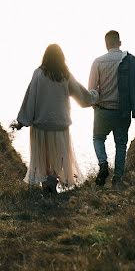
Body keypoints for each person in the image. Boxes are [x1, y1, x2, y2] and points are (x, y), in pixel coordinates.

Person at [11, 44, 97, 193]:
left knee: (43, 159)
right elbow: (82, 97)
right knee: (58, 158)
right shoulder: (65, 75)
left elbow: (30, 98)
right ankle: (52, 185)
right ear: (61, 58)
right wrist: (95, 96)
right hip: (60, 124)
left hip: (41, 125)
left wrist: (21, 121)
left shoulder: (38, 74)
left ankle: (47, 187)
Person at [88, 30, 135, 187]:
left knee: (98, 138)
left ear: (106, 44)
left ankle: (103, 164)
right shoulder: (130, 60)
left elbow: (92, 92)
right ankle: (118, 180)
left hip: (103, 110)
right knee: (121, 144)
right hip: (123, 112)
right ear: (119, 43)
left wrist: (94, 105)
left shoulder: (98, 62)